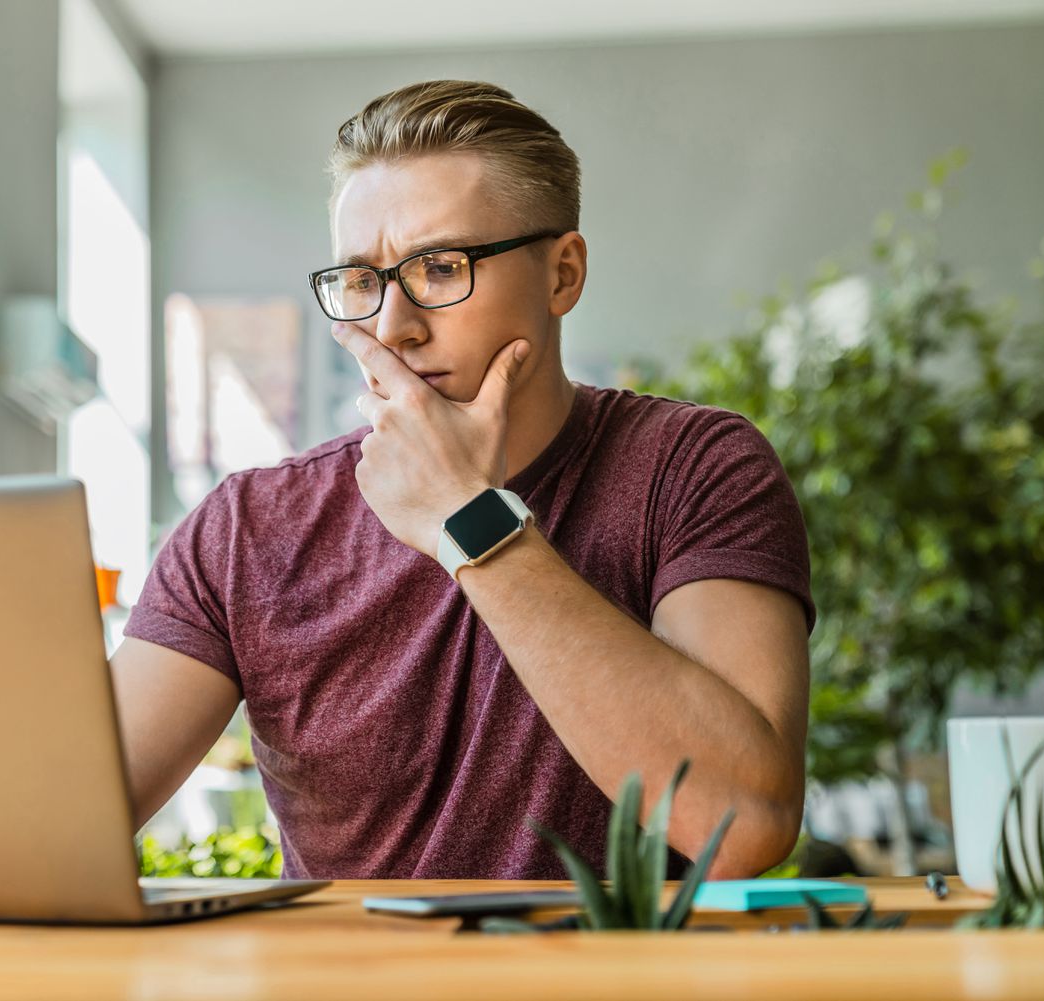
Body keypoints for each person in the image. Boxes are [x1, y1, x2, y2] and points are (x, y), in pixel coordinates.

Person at [113, 80, 813, 880]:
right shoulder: (250, 527)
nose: (393, 327)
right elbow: (64, 819)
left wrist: (469, 516)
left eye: (441, 268)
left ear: (563, 275)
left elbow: (744, 824)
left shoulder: (694, 468)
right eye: (362, 281)